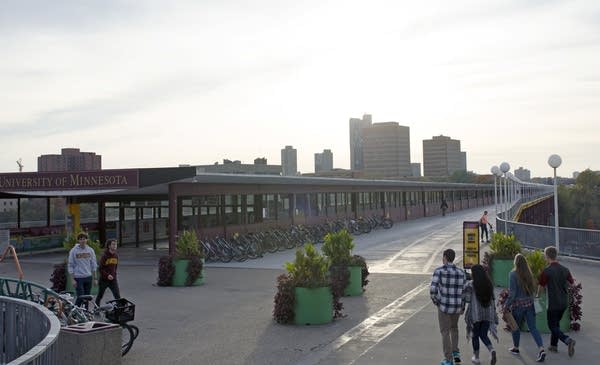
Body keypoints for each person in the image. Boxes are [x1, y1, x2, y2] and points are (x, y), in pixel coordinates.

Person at [506, 254, 546, 362]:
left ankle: (516, 348)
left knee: (515, 327)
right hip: (530, 304)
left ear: (515, 262)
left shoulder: (513, 274)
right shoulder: (529, 274)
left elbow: (512, 293)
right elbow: (532, 290)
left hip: (518, 306)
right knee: (533, 328)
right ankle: (541, 349)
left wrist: (506, 305)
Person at [537, 246, 576, 357]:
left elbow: (541, 287)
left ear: (547, 256)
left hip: (553, 303)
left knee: (552, 325)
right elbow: (572, 285)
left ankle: (567, 340)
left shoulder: (547, 271)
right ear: (556, 255)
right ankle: (553, 346)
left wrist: (537, 297)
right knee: (556, 323)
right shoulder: (565, 269)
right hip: (563, 302)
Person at [430, 248, 466, 365]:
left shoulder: (439, 271)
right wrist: (462, 306)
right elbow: (464, 292)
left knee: (445, 331)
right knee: (454, 328)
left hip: (444, 307)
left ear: (445, 257)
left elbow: (433, 290)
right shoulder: (461, 273)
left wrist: (437, 302)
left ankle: (448, 359)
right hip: (456, 307)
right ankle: (456, 353)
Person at [463, 264, 498, 365]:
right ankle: (492, 351)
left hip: (476, 314)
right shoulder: (489, 283)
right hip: (488, 314)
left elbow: (468, 299)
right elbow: (493, 298)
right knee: (483, 334)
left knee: (475, 335)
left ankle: (476, 357)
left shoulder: (471, 284)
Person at [67, 232, 98, 307]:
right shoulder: (74, 251)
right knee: (80, 297)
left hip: (88, 277)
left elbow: (93, 265)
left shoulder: (90, 250)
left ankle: (85, 314)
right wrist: (72, 279)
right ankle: (74, 313)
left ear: (87, 240)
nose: (83, 241)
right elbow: (70, 265)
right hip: (78, 277)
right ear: (78, 240)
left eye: (84, 239)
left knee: (87, 298)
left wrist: (95, 278)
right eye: (81, 239)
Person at [95, 238, 121, 307]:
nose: (115, 245)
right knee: (100, 295)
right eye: (113, 244)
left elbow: (115, 268)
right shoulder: (104, 256)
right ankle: (96, 309)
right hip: (104, 280)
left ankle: (120, 310)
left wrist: (114, 275)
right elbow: (100, 269)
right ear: (109, 246)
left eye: (116, 244)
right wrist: (107, 275)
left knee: (117, 296)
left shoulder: (116, 256)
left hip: (113, 280)